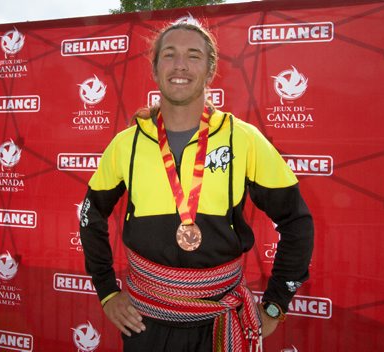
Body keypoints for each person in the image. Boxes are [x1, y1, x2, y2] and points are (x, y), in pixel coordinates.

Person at [80, 15, 314, 352]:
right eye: (170, 54)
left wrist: (275, 305)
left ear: (210, 69)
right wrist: (107, 293)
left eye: (194, 56)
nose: (181, 66)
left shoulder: (243, 139)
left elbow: (297, 222)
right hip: (145, 322)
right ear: (155, 67)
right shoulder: (125, 144)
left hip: (221, 321)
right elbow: (90, 218)